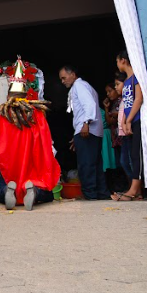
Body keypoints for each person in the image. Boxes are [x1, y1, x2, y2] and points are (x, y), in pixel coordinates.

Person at [0, 59, 60, 210]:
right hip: (31, 166)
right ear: (26, 94)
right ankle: (34, 190)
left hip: (9, 167)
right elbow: (46, 141)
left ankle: (8, 191)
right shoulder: (37, 114)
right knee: (48, 194)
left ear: (8, 95)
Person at [60, 65, 110, 200]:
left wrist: (86, 124)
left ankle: (90, 194)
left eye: (64, 78)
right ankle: (101, 193)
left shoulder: (79, 86)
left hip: (88, 130)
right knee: (95, 164)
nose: (63, 81)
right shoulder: (84, 86)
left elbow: (89, 105)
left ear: (72, 74)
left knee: (86, 165)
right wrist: (77, 133)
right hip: (92, 131)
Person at [115, 51, 145, 200]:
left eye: (117, 61)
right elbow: (127, 103)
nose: (117, 64)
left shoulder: (136, 78)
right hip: (130, 121)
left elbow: (138, 99)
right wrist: (124, 121)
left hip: (137, 121)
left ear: (123, 60)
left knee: (136, 156)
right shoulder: (127, 81)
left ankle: (133, 191)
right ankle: (136, 191)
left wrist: (129, 120)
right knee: (132, 156)